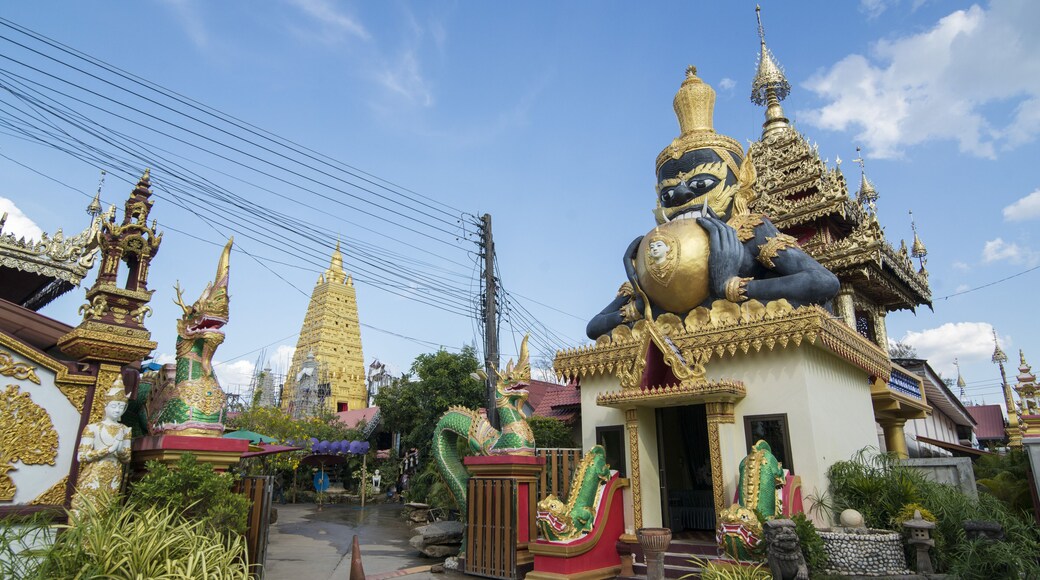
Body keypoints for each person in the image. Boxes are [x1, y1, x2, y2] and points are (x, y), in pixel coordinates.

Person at [586, 67, 838, 340]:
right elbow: (594, 326)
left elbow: (823, 282)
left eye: (700, 185)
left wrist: (733, 287)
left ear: (741, 182)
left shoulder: (749, 230)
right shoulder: (658, 248)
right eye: (668, 194)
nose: (683, 197)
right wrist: (639, 298)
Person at [71, 378, 132, 514]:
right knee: (85, 508)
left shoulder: (125, 430)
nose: (117, 410)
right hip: (95, 472)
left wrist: (120, 450)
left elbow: (127, 458)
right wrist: (108, 450)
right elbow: (81, 456)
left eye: (121, 407)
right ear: (106, 405)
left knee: (107, 510)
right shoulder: (93, 428)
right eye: (114, 406)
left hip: (115, 474)